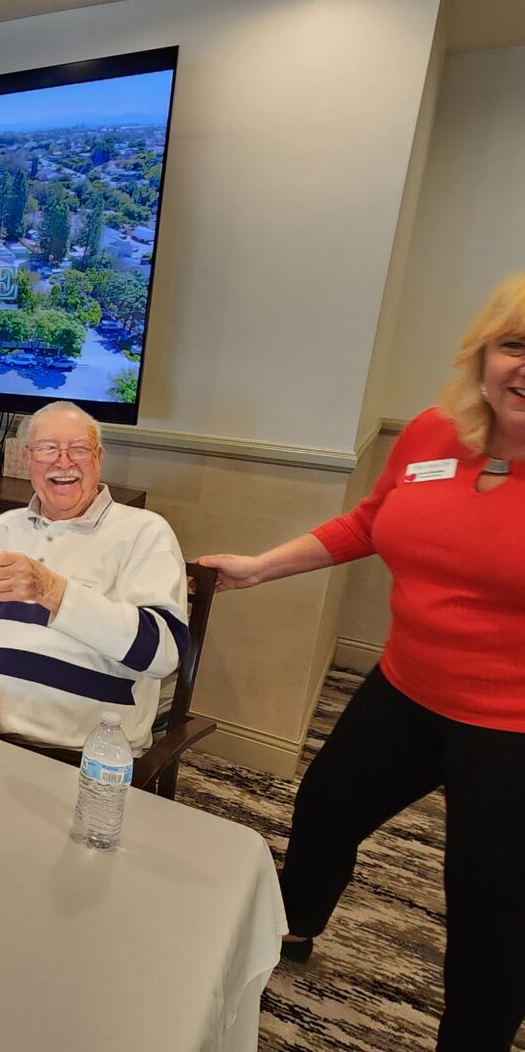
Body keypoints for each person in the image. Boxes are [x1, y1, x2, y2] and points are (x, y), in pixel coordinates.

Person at [196, 274, 525, 1052]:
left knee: (491, 912)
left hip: (512, 728)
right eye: (516, 344)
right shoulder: (431, 436)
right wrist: (258, 567)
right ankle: (293, 930)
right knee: (323, 814)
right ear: (484, 354)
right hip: (405, 686)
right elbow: (372, 522)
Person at [0, 401, 187, 752]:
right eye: (48, 449)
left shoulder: (144, 531)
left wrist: (51, 589)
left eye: (78, 448)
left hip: (84, 757)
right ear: (28, 459)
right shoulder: (4, 527)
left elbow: (163, 652)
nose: (63, 462)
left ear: (99, 457)